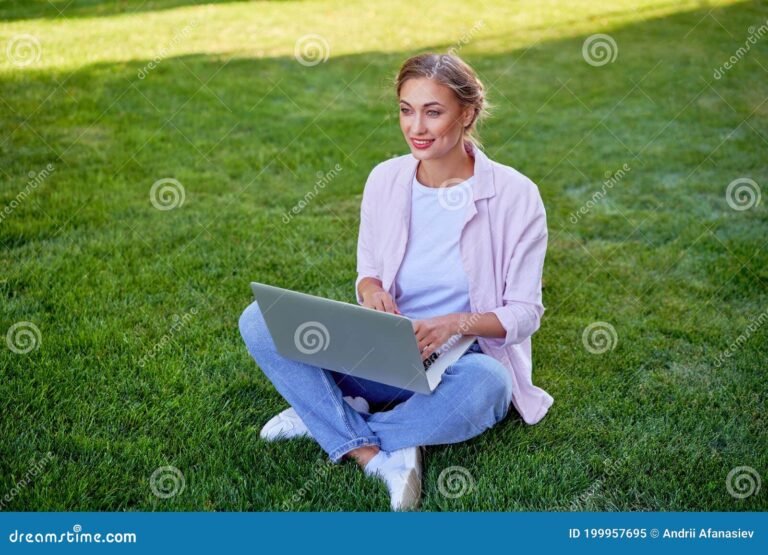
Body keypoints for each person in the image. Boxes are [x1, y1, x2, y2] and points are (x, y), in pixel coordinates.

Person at [239, 52, 553, 511]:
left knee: (490, 385)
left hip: (456, 361)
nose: (416, 128)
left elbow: (525, 314)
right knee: (259, 319)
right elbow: (368, 270)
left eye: (433, 111)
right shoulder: (386, 178)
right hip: (381, 350)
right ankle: (379, 448)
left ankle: (328, 417)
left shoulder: (515, 195)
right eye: (406, 110)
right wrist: (371, 291)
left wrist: (453, 325)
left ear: (467, 113)